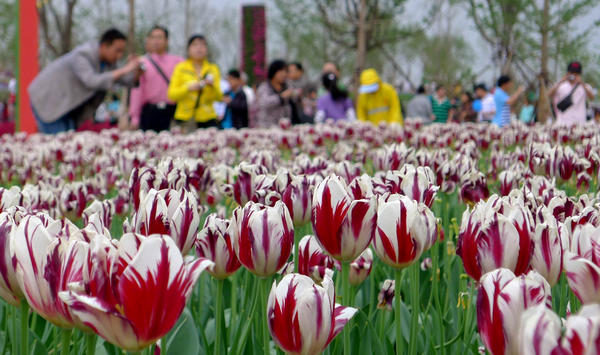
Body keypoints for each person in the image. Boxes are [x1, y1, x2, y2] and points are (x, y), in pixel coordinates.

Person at [28, 28, 141, 134]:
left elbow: (125, 80)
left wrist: (137, 71)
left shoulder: (108, 64)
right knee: (58, 142)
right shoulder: (83, 55)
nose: (119, 56)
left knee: (67, 142)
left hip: (66, 107)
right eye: (117, 51)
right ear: (104, 46)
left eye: (122, 52)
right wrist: (125, 69)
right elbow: (91, 81)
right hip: (48, 101)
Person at [129, 26, 183, 132]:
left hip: (171, 112)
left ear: (167, 41)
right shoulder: (142, 62)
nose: (156, 41)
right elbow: (137, 91)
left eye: (159, 37)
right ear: (148, 40)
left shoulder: (178, 62)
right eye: (153, 37)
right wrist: (134, 117)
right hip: (149, 112)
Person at [168, 35, 222, 131]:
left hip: (207, 117)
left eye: (203, 45)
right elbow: (172, 94)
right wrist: (188, 88)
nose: (199, 48)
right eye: (195, 45)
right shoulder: (181, 68)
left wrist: (212, 86)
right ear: (188, 49)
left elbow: (219, 97)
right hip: (185, 118)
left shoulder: (213, 69)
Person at [548, 61, 596, 126]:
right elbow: (549, 94)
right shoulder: (561, 85)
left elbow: (592, 97)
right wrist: (561, 81)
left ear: (580, 74)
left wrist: (581, 83)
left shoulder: (585, 86)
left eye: (576, 74)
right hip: (563, 121)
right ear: (568, 73)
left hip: (580, 121)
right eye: (572, 73)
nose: (574, 76)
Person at [254, 59, 293, 128]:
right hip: (267, 127)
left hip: (284, 127)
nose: (284, 74)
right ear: (273, 72)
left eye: (285, 71)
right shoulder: (264, 87)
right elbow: (263, 103)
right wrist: (281, 97)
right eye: (281, 71)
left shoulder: (287, 87)